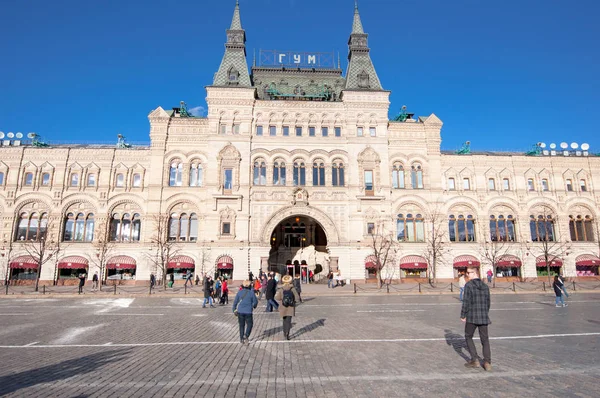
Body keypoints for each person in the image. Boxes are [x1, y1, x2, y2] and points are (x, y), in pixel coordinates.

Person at [461, 266, 492, 371]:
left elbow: (466, 302)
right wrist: (485, 313)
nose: (467, 275)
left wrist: (463, 315)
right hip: (483, 316)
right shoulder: (485, 286)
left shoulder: (468, 285)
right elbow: (488, 303)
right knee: (485, 339)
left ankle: (475, 360)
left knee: (468, 336)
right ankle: (487, 362)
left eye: (468, 273)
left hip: (472, 317)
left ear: (475, 273)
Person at [233, 280, 259, 345]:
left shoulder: (239, 292)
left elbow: (235, 302)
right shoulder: (251, 293)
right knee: (250, 324)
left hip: (240, 311)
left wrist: (234, 310)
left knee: (241, 325)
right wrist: (253, 306)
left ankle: (241, 339)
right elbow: (255, 302)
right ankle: (246, 335)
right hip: (248, 311)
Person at [275, 275, 300, 340]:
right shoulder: (293, 289)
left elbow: (277, 298)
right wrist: (293, 301)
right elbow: (297, 298)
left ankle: (284, 332)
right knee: (289, 321)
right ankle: (287, 334)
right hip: (290, 307)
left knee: (284, 320)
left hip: (283, 307)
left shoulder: (281, 289)